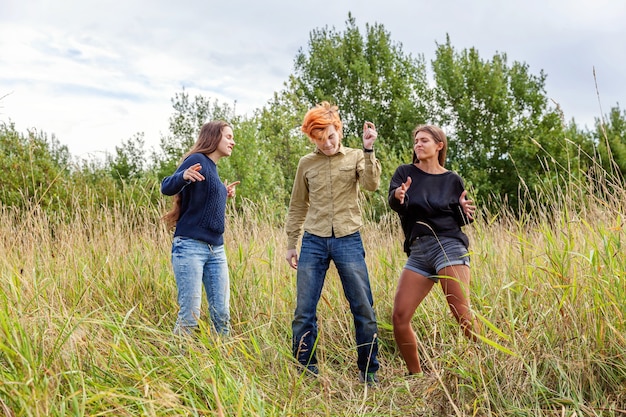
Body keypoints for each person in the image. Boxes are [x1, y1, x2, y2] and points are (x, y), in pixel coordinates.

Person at [285, 101, 382, 384]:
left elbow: (372, 185)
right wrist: (292, 243)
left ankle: (369, 372)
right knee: (304, 310)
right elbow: (297, 205)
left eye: (330, 136)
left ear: (338, 129)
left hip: (348, 239)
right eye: (318, 139)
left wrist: (368, 149)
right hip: (314, 241)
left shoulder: (354, 157)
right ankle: (305, 370)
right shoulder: (306, 163)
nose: (326, 143)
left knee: (362, 307)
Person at [388, 124, 477, 376]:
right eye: (416, 140)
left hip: (448, 245)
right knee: (399, 316)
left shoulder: (452, 179)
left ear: (439, 145)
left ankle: (484, 364)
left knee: (460, 311)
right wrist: (399, 194)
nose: (418, 144)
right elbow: (394, 202)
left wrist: (465, 211)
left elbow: (462, 217)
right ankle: (416, 376)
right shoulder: (405, 173)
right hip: (419, 252)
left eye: (424, 140)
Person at [161, 120, 240, 337]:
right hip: (190, 247)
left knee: (222, 314)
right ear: (214, 137)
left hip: (217, 250)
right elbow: (166, 186)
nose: (233, 142)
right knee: (190, 316)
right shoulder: (197, 160)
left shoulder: (212, 169)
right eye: (229, 137)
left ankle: (223, 364)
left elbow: (204, 198)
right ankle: (177, 365)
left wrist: (223, 192)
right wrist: (182, 176)